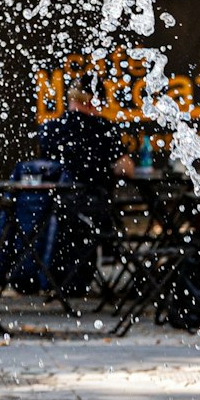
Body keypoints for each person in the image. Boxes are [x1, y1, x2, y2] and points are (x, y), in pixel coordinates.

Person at [35, 83, 134, 293]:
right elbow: (126, 169)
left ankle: (53, 280)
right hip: (92, 207)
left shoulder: (49, 128)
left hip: (52, 207)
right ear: (92, 101)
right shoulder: (102, 128)